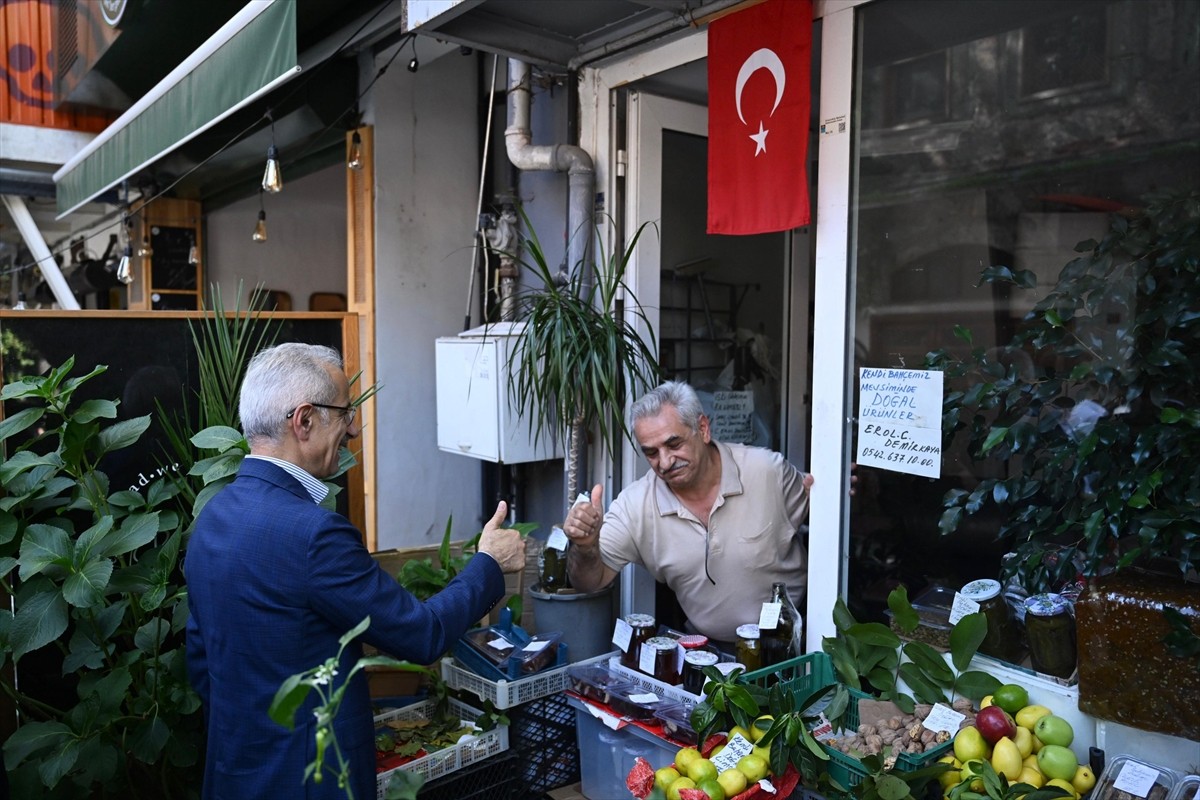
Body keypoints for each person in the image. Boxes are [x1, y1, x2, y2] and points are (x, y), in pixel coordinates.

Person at [184, 343, 525, 800]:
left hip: (234, 775)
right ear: (303, 421)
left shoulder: (212, 518)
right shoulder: (313, 533)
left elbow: (201, 658)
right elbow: (419, 634)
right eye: (345, 412)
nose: (354, 427)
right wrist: (489, 564)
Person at [564, 380, 814, 648]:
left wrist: (843, 486)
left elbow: (821, 505)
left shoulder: (766, 471)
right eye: (651, 452)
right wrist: (586, 547)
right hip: (710, 650)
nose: (665, 461)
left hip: (795, 640)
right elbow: (589, 583)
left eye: (674, 444)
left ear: (703, 429)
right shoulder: (635, 505)